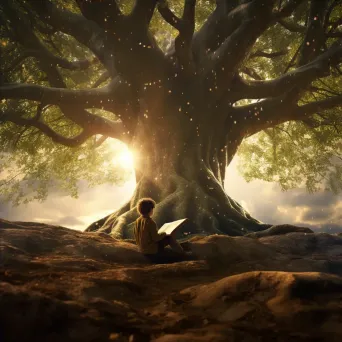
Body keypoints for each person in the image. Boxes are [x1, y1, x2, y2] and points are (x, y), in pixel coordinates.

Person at [134, 198, 186, 263]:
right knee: (169, 238)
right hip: (151, 250)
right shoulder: (150, 222)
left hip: (142, 249)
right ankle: (183, 254)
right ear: (150, 209)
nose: (153, 210)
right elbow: (155, 238)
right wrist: (164, 233)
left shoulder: (137, 221)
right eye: (152, 209)